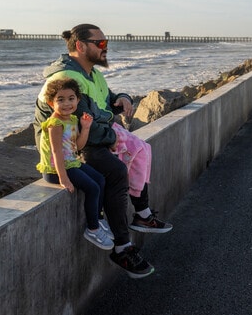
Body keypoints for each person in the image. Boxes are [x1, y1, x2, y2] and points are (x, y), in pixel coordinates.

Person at [34, 23, 173, 279]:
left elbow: (108, 99)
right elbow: (81, 126)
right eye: (100, 43)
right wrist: (111, 136)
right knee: (116, 171)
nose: (105, 47)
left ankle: (140, 216)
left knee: (139, 150)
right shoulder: (67, 80)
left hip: (90, 138)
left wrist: (124, 98)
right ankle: (122, 246)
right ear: (80, 46)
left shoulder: (92, 74)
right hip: (72, 149)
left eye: (105, 42)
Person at [36, 78, 114, 251]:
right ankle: (92, 228)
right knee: (92, 188)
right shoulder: (55, 124)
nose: (67, 103)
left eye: (71, 98)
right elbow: (56, 152)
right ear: (51, 102)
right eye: (60, 99)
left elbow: (77, 146)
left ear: (78, 100)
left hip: (71, 163)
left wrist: (85, 128)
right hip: (56, 170)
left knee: (100, 179)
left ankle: (99, 219)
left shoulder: (71, 119)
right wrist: (64, 179)